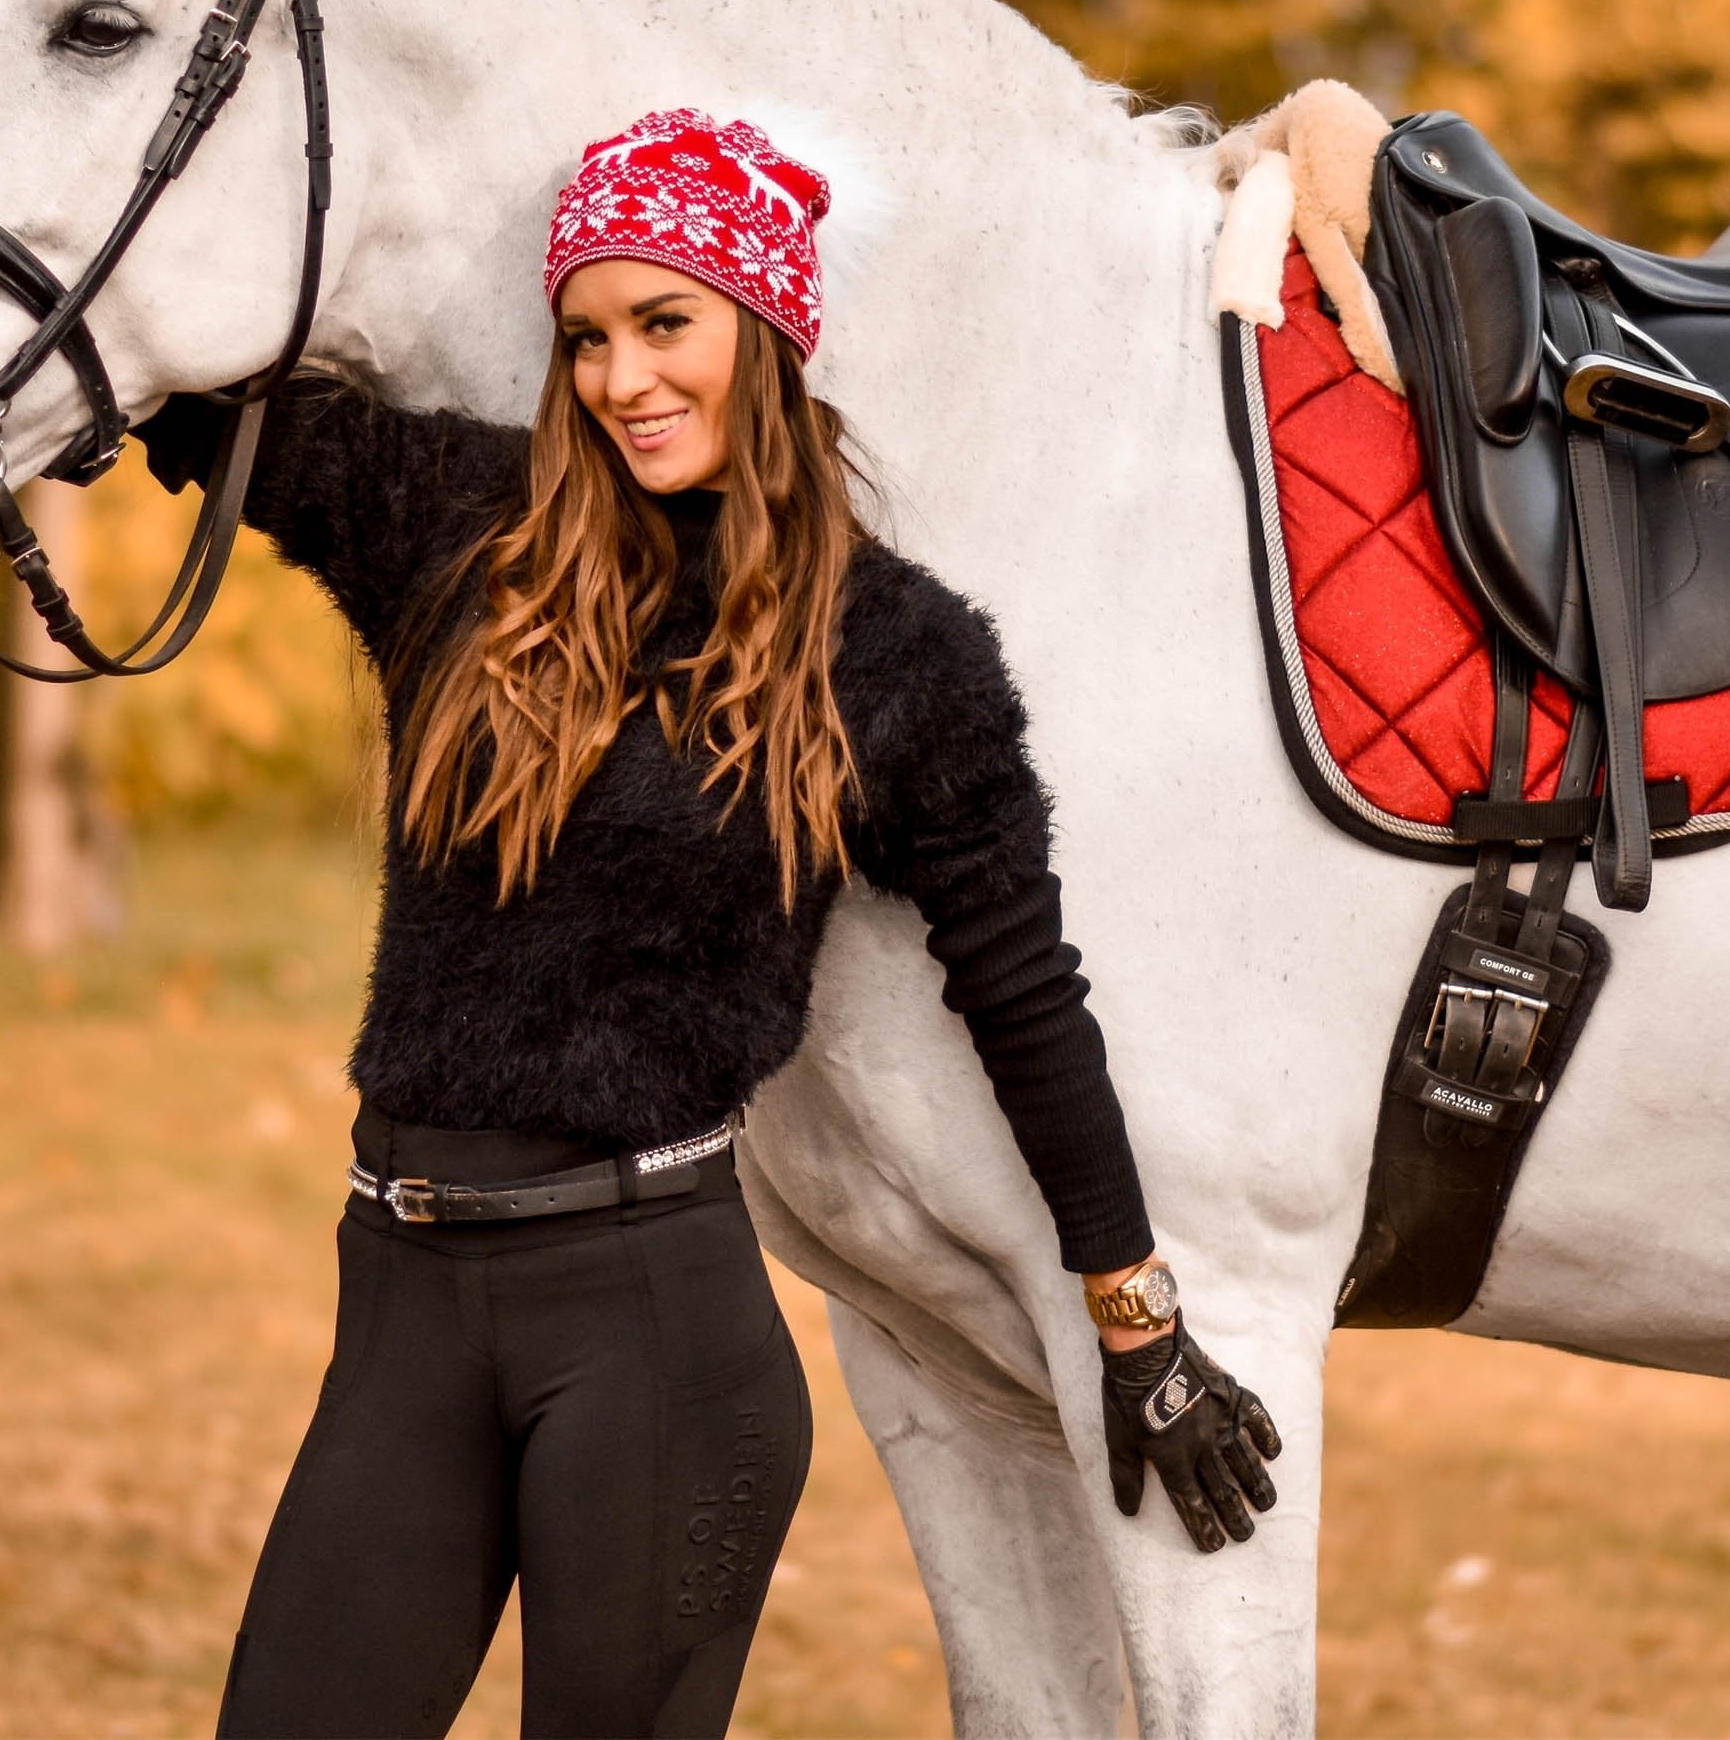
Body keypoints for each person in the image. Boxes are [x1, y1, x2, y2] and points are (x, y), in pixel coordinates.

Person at [142, 108, 1280, 1740]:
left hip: (654, 1339)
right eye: (588, 337)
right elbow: (178, 380)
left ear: (766, 333)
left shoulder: (897, 655)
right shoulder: (459, 529)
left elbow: (1026, 1002)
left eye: (666, 324)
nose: (623, 379)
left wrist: (1138, 1321)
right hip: (399, 1288)